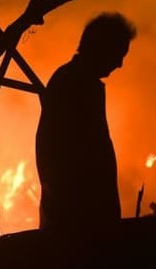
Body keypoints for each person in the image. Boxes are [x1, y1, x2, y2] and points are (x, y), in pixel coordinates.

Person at [35, 12, 136, 231]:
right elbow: (70, 152)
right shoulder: (75, 84)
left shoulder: (74, 80)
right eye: (119, 54)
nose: (119, 64)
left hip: (79, 212)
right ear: (101, 48)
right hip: (78, 216)